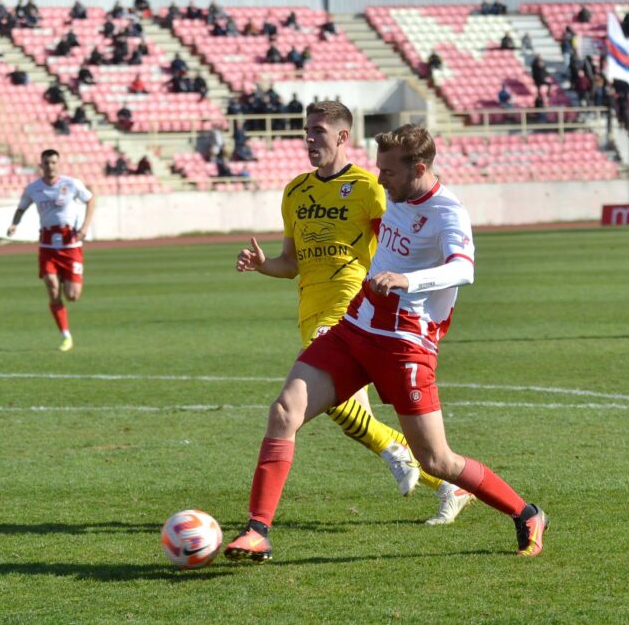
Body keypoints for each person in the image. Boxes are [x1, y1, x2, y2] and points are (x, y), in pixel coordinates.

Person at [223, 122, 548, 563]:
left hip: (405, 344)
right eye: (378, 169)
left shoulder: (448, 212)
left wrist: (407, 280)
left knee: (436, 461)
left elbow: (463, 269)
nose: (380, 179)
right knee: (284, 410)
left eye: (389, 172)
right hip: (355, 328)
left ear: (419, 168)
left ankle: (526, 512)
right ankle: (258, 530)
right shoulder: (394, 194)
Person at [6, 149, 95, 352]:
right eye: (46, 162)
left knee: (72, 295)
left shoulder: (71, 184)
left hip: (70, 245)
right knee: (52, 289)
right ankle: (66, 335)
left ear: (59, 163)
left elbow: (90, 200)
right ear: (41, 165)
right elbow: (21, 208)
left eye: (54, 162)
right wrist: (14, 224)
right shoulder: (33, 189)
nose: (50, 166)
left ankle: (65, 278)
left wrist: (85, 227)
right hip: (47, 245)